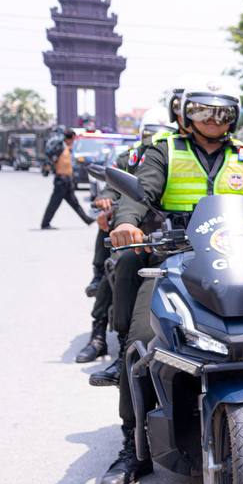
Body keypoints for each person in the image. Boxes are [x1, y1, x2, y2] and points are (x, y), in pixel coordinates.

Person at [98, 88, 243, 484]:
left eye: (222, 112)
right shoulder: (164, 151)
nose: (213, 120)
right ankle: (133, 446)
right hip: (176, 257)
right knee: (141, 339)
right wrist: (127, 222)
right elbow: (140, 193)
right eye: (202, 111)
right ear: (185, 114)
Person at [76, 108, 174, 374]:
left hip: (175, 235)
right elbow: (114, 186)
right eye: (151, 134)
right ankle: (106, 338)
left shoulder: (178, 157)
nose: (156, 139)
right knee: (123, 264)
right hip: (136, 231)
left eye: (163, 134)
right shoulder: (131, 158)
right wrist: (108, 202)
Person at [40, 129, 94, 229]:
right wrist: (48, 167)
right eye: (73, 139)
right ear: (70, 138)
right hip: (61, 181)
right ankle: (45, 224)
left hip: (67, 181)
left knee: (74, 203)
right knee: (54, 203)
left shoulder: (67, 148)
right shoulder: (59, 146)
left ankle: (87, 220)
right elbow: (49, 155)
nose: (74, 141)